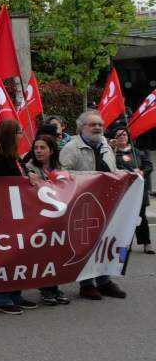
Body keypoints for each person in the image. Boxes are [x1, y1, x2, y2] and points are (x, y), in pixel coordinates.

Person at [0, 119, 43, 315]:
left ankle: (15, 293)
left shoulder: (14, 156)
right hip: (1, 214)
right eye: (19, 132)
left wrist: (28, 175)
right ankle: (1, 297)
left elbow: (20, 175)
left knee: (19, 256)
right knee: (4, 256)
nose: (22, 135)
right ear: (9, 135)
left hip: (18, 214)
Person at [60, 110, 127, 300]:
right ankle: (87, 284)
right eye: (93, 124)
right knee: (86, 245)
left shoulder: (105, 144)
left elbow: (110, 171)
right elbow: (64, 176)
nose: (98, 128)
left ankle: (104, 281)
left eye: (100, 124)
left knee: (105, 242)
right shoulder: (71, 148)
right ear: (81, 127)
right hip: (84, 204)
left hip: (107, 202)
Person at [23, 135, 72, 306]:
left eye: (42, 148)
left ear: (51, 150)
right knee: (42, 254)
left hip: (58, 217)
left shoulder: (60, 167)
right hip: (39, 218)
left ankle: (54, 286)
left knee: (55, 253)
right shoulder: (29, 168)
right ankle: (45, 289)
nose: (38, 151)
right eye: (36, 148)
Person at [110, 127, 152, 254]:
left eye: (124, 134)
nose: (122, 136)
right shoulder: (112, 153)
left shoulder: (137, 152)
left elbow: (149, 165)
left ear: (128, 137)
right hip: (122, 191)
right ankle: (125, 243)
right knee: (123, 218)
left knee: (141, 217)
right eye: (119, 135)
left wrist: (142, 172)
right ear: (114, 138)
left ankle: (146, 243)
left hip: (138, 190)